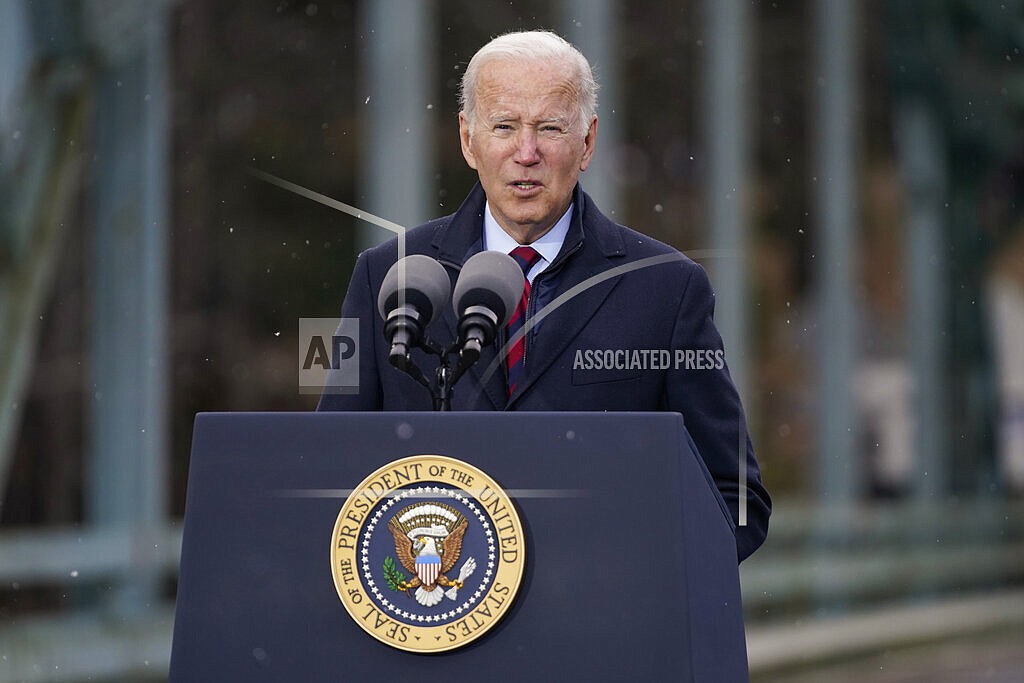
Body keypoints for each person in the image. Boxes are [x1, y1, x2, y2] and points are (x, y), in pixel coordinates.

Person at [318, 30, 770, 561]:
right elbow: (330, 469)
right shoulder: (383, 277)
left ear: (588, 142)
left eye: (550, 128)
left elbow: (737, 501)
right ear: (468, 140)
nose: (526, 153)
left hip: (599, 629)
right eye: (504, 126)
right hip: (435, 617)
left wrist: (632, 576)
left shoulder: (668, 288)